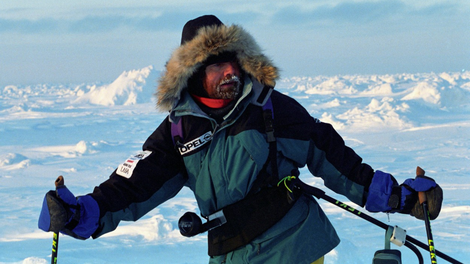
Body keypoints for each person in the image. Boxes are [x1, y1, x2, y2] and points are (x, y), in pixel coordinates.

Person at [38, 15, 443, 264]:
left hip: (294, 245)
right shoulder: (179, 131)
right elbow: (132, 187)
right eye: (216, 65)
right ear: (193, 72)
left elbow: (335, 161)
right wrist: (80, 213)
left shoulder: (269, 108)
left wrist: (402, 199)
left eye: (232, 61)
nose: (229, 72)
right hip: (231, 252)